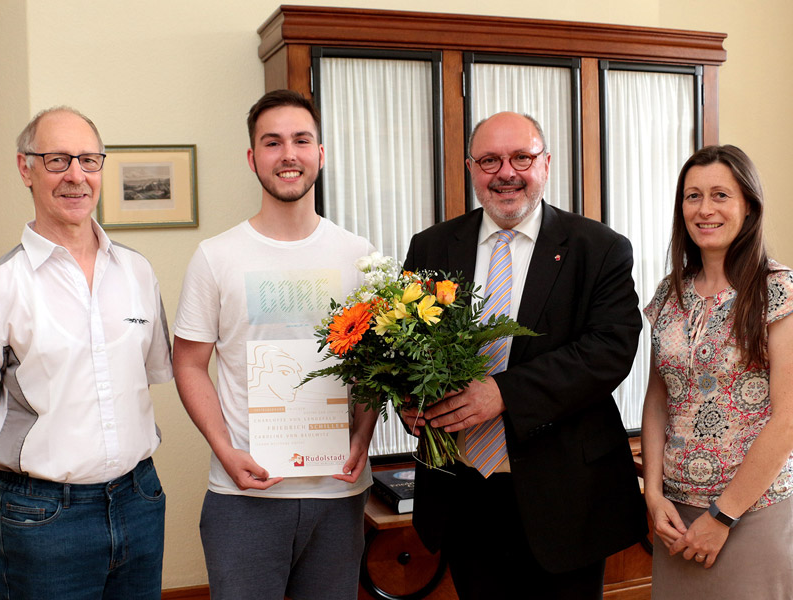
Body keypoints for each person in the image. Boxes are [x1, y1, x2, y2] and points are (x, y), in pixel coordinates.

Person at [401, 111, 647, 599]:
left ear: (546, 164)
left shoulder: (598, 248)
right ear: (471, 168)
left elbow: (609, 350)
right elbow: (407, 344)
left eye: (521, 157)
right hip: (465, 492)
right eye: (490, 160)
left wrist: (503, 393)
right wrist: (410, 399)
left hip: (566, 496)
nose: (506, 173)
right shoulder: (431, 246)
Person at [173, 90, 377, 600]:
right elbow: (189, 364)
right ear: (252, 158)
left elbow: (378, 367)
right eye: (273, 142)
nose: (288, 154)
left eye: (301, 140)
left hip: (338, 491)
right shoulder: (215, 256)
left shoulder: (361, 256)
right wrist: (225, 450)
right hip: (246, 494)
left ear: (320, 154)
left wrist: (363, 436)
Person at [0, 107, 173, 599]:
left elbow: (151, 372)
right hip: (44, 519)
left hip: (139, 500)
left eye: (89, 160)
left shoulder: (138, 272)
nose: (76, 175)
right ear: (24, 168)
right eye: (57, 160)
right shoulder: (2, 286)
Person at [641, 145, 793, 599]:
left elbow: (787, 420)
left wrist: (722, 517)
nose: (705, 209)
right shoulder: (670, 291)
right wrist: (653, 494)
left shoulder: (778, 289)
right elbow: (658, 399)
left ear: (748, 207)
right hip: (675, 517)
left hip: (752, 512)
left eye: (720, 195)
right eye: (693, 196)